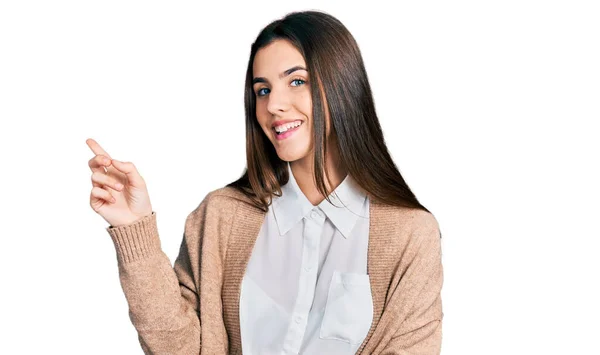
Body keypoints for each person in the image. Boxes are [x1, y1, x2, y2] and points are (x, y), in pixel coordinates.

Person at [87, 10, 444, 355]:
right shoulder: (221, 217)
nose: (274, 104)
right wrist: (135, 228)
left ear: (342, 87)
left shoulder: (410, 235)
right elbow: (177, 348)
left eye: (297, 81)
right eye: (262, 90)